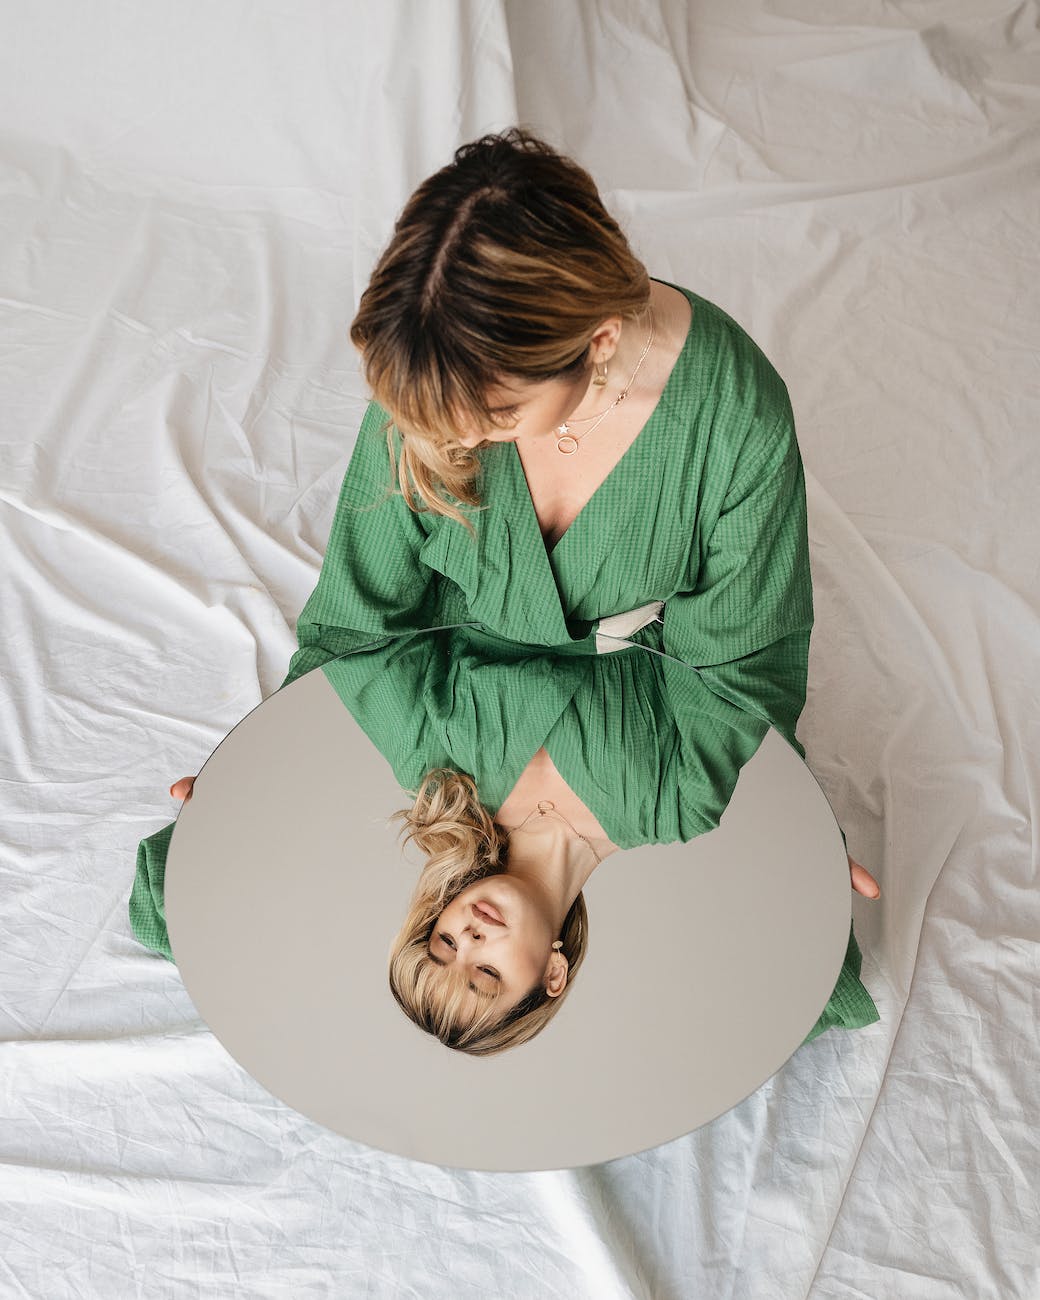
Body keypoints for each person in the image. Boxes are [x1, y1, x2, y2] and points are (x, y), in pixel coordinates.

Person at [131, 126, 879, 1045]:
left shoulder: (734, 417)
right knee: (189, 895)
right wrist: (273, 763)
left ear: (600, 341)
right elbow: (361, 622)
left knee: (788, 980)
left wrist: (779, 822)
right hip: (445, 678)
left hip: (636, 690)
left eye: (498, 416)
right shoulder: (440, 374)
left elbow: (741, 669)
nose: (465, 442)